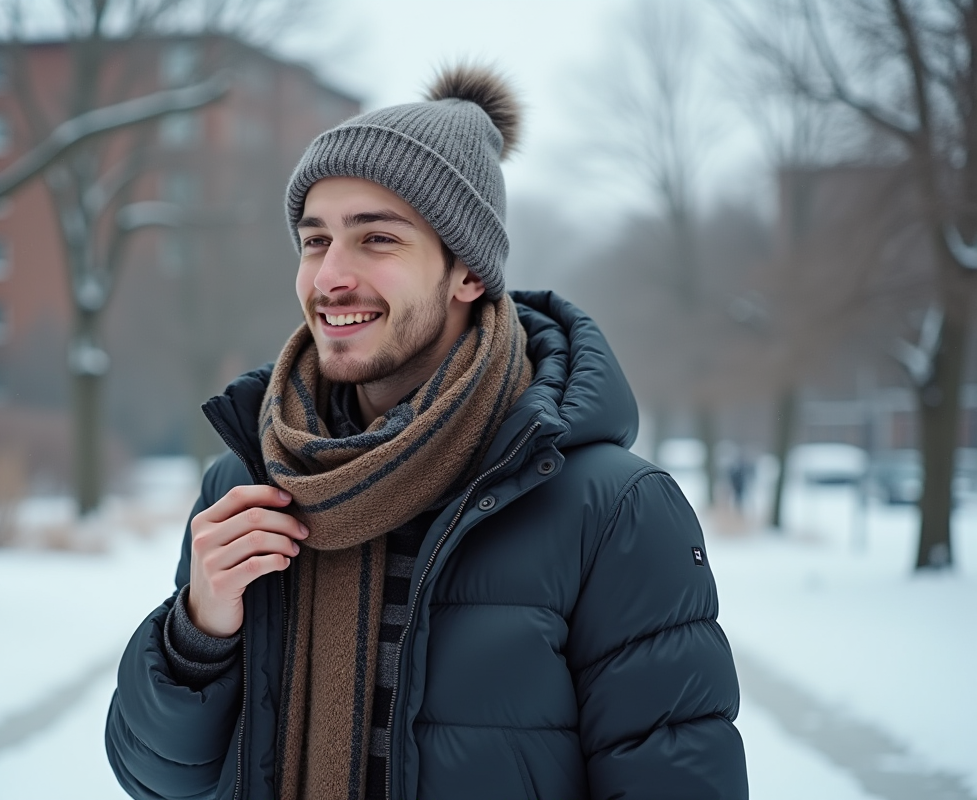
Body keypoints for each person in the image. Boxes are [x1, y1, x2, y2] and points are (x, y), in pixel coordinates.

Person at [105, 65, 748, 800]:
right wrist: (196, 635)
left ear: (468, 272)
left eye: (376, 239)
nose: (329, 278)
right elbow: (159, 782)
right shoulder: (252, 479)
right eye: (315, 242)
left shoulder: (612, 512)